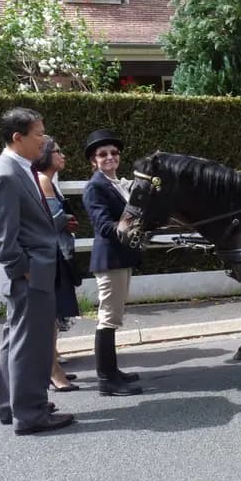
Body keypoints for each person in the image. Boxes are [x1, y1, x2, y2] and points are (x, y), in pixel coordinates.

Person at [0, 107, 76, 435]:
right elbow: (2, 238)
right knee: (29, 344)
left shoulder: (19, 168)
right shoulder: (6, 174)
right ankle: (31, 414)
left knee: (16, 342)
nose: (44, 140)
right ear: (17, 137)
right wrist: (25, 272)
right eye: (38, 134)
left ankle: (16, 407)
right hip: (29, 276)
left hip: (31, 273)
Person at [82, 129, 143, 397]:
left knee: (115, 317)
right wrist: (131, 228)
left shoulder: (116, 183)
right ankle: (107, 379)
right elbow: (102, 224)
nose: (109, 157)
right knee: (108, 318)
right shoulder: (95, 186)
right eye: (102, 154)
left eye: (114, 153)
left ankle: (113, 371)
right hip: (109, 258)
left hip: (121, 257)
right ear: (93, 160)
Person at [33, 136, 81, 392]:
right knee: (50, 317)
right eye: (58, 151)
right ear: (46, 155)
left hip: (56, 254)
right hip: (52, 256)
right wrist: (66, 219)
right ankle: (52, 371)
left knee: (53, 316)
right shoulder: (42, 180)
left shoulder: (48, 181)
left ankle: (55, 366)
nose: (63, 155)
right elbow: (50, 221)